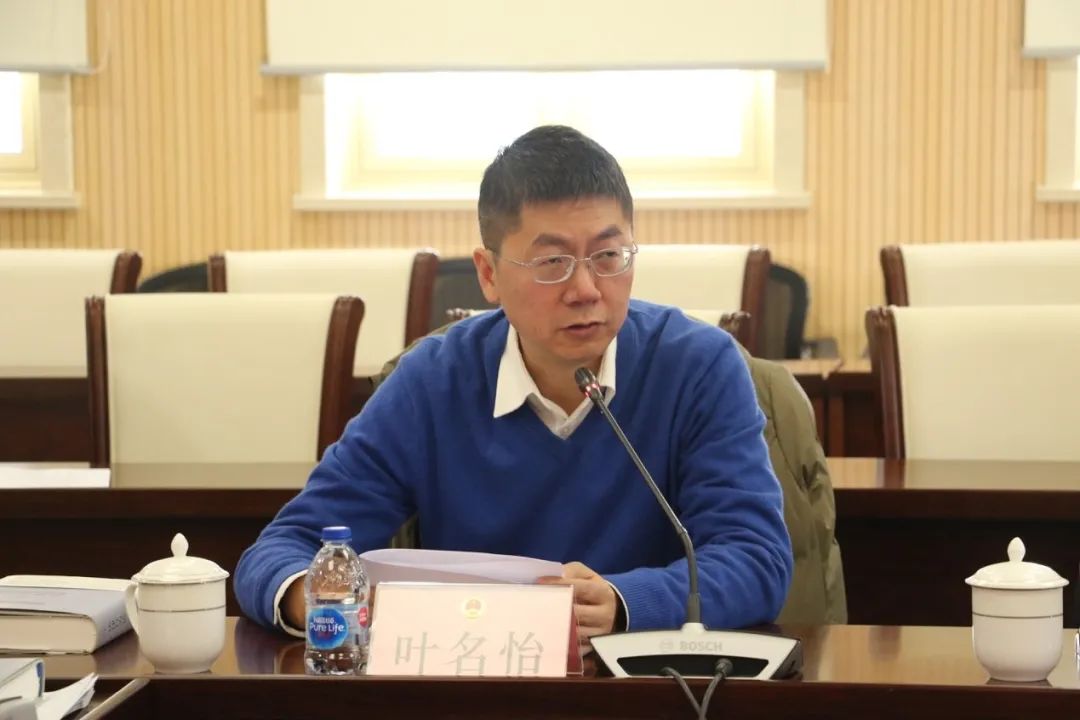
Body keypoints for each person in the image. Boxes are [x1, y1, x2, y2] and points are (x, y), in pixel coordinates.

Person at [234, 125, 793, 649]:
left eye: (608, 256)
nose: (585, 288)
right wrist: (320, 598)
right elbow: (283, 551)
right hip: (472, 682)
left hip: (644, 686)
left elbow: (756, 559)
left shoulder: (697, 367)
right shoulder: (434, 381)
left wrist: (624, 603)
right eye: (552, 262)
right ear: (489, 274)